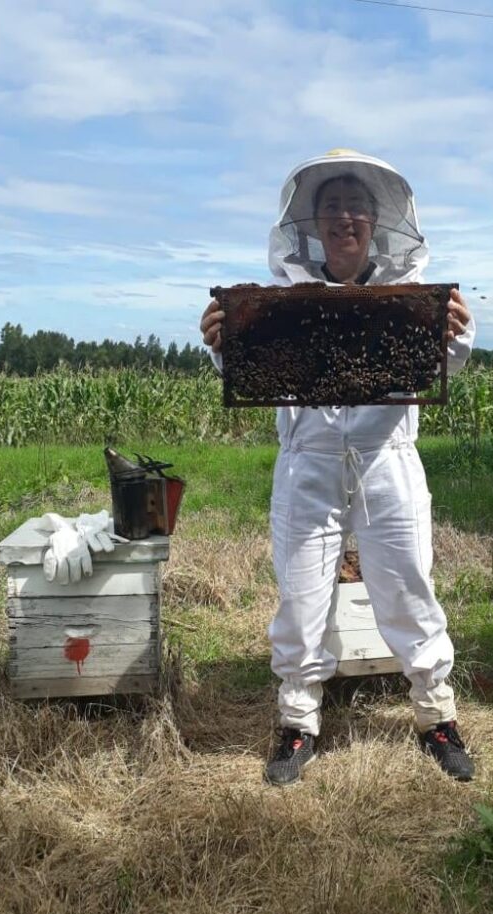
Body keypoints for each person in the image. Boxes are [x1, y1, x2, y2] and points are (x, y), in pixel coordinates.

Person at [200, 149, 476, 786]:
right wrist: (225, 345)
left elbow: (447, 364)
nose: (344, 217)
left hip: (387, 461)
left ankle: (437, 715)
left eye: (355, 206)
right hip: (309, 465)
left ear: (376, 220)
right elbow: (254, 373)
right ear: (313, 222)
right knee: (300, 598)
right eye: (331, 207)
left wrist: (457, 332)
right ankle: (298, 723)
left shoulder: (407, 302)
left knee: (409, 586)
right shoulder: (285, 304)